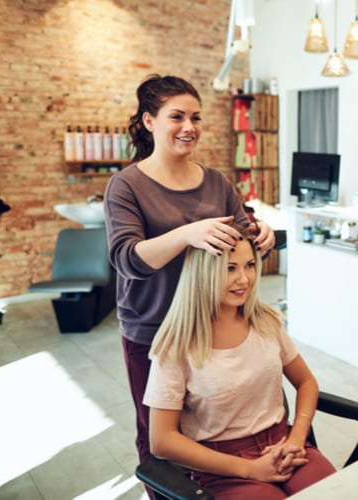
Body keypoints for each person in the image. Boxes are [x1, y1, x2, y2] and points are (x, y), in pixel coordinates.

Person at [104, 74, 275, 468]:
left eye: (196, 118)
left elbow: (242, 234)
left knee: (213, 430)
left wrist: (262, 233)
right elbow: (126, 259)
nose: (189, 128)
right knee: (159, 437)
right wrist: (186, 234)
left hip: (215, 326)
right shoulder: (126, 186)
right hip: (155, 331)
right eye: (177, 117)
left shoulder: (216, 182)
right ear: (150, 121)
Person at [144, 224, 336, 498]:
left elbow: (306, 382)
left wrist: (296, 439)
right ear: (203, 274)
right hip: (224, 467)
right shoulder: (177, 347)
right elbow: (161, 441)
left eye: (249, 265)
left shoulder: (265, 322)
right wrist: (250, 470)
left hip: (283, 444)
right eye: (230, 268)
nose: (244, 279)